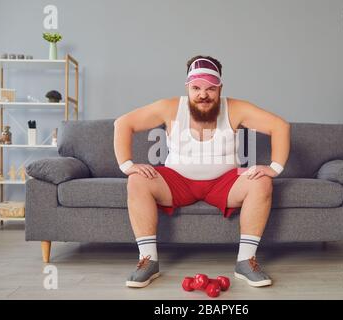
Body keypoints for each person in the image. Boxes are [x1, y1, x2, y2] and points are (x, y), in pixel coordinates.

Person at [114, 55, 290, 288]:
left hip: (225, 182)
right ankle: (148, 260)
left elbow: (280, 126)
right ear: (188, 87)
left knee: (261, 182)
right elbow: (123, 123)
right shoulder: (169, 107)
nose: (203, 95)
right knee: (137, 180)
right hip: (176, 181)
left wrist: (274, 168)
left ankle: (246, 261)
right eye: (196, 88)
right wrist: (128, 166)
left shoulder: (236, 108)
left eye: (210, 89)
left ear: (220, 88)